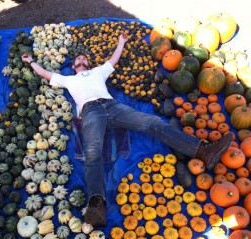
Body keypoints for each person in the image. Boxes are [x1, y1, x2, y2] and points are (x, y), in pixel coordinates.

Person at [22, 32, 233, 226]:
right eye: (78, 60)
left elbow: (113, 60)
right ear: (74, 66)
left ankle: (202, 150)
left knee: (153, 123)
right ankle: (97, 204)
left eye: (84, 58)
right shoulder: (68, 80)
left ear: (88, 62)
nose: (81, 60)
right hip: (90, 111)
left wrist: (121, 42)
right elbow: (46, 74)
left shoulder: (98, 72)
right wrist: (30, 61)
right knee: (92, 152)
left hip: (112, 106)